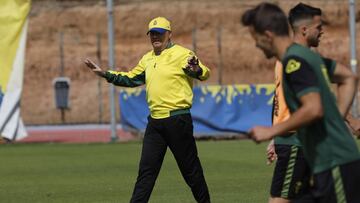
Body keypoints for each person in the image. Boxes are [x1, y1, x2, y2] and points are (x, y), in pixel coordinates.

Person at [242, 3, 360, 202]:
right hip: (325, 161)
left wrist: (271, 131)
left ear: (268, 36)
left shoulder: (293, 62)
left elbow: (314, 108)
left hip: (336, 162)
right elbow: (349, 77)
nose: (256, 45)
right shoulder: (305, 56)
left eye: (256, 39)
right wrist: (337, 119)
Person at [84, 17, 211, 203]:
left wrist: (196, 70)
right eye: (152, 34)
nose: (155, 37)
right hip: (155, 123)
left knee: (191, 171)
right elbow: (131, 79)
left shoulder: (182, 54)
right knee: (146, 173)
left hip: (178, 120)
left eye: (159, 33)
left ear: (169, 34)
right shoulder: (147, 58)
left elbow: (205, 73)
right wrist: (105, 74)